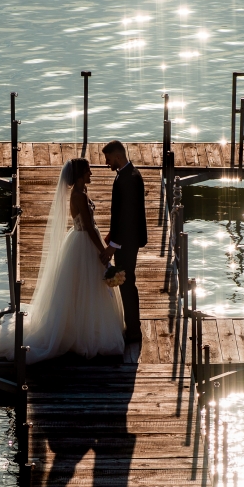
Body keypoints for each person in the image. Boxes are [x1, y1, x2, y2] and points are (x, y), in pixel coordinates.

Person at [0, 158, 124, 363]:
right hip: (84, 243)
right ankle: (82, 331)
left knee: (82, 288)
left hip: (81, 241)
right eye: (87, 171)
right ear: (78, 176)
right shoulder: (79, 196)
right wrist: (103, 252)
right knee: (85, 287)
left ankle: (80, 327)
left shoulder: (81, 193)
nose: (91, 174)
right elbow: (87, 226)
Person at [99, 140, 146, 344]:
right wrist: (112, 234)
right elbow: (121, 214)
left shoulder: (128, 179)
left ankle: (134, 330)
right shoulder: (128, 174)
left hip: (127, 242)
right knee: (127, 281)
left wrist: (113, 246)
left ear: (117, 157)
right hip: (127, 239)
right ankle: (133, 325)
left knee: (127, 283)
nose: (106, 162)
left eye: (108, 159)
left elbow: (127, 217)